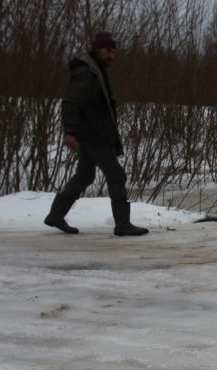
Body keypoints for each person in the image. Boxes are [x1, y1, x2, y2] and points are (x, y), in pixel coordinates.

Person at [44, 32, 148, 237]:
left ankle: (56, 215)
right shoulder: (87, 72)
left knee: (84, 175)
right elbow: (71, 102)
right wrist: (70, 132)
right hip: (93, 135)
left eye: (113, 51)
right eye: (108, 50)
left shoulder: (95, 69)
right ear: (97, 49)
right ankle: (122, 224)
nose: (111, 55)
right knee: (116, 175)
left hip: (92, 133)